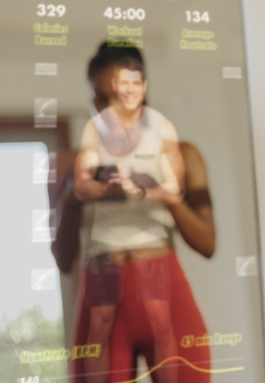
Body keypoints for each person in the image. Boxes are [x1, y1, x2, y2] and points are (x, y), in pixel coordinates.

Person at [53, 43, 214, 383]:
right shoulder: (69, 165)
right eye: (98, 98)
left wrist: (167, 196)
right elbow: (63, 260)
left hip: (165, 288)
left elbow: (207, 244)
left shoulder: (183, 155)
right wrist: (73, 197)